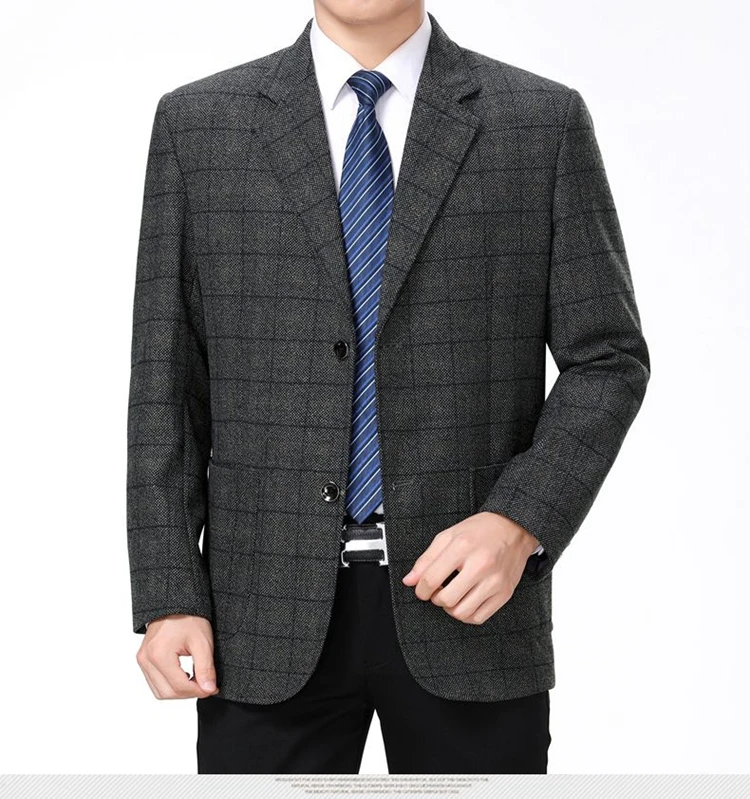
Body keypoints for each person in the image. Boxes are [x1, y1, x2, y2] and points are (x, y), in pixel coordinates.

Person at [127, 0, 650, 775]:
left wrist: (518, 520)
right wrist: (170, 590)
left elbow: (608, 357)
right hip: (259, 613)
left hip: (471, 610)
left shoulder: (540, 122)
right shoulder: (200, 124)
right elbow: (166, 384)